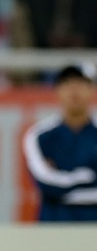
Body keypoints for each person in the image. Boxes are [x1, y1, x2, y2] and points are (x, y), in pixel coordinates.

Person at [23, 63, 97, 221]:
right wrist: (86, 177)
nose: (74, 90)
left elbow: (53, 185)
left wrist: (61, 180)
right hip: (55, 222)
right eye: (67, 83)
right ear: (57, 90)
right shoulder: (39, 136)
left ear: (92, 89)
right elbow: (44, 183)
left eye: (81, 83)